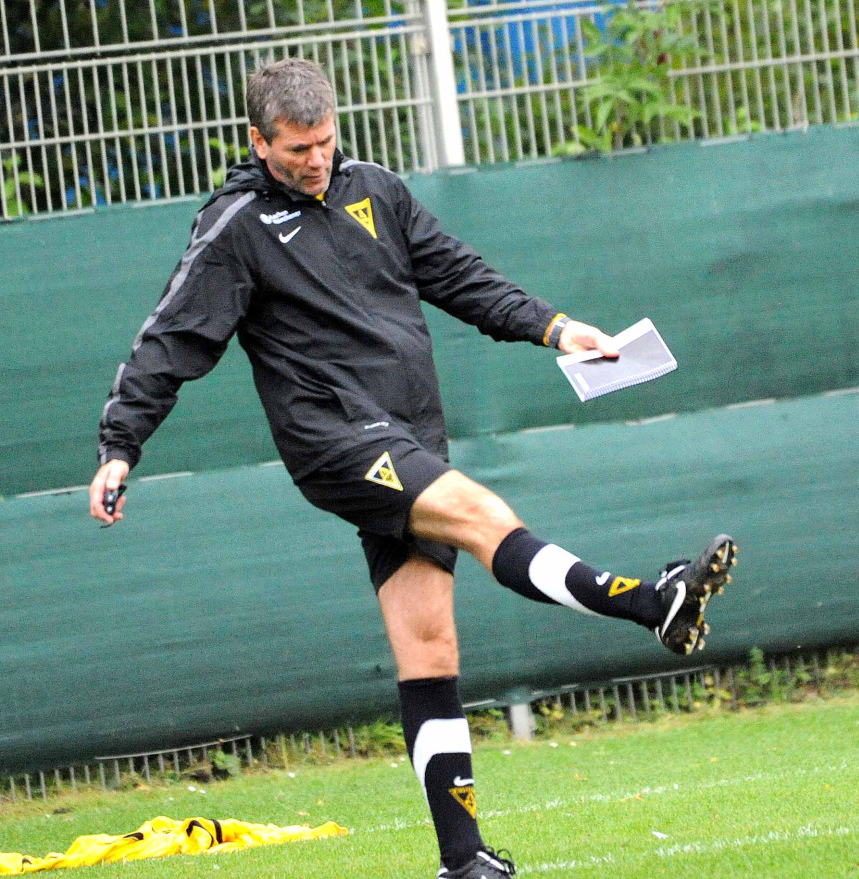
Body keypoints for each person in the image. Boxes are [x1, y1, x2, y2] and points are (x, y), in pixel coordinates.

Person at [89, 58, 737, 879]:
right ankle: (650, 602)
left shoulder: (376, 190)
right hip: (333, 437)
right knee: (483, 517)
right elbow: (170, 340)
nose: (315, 160)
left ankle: (462, 861)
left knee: (429, 646)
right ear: (259, 142)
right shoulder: (237, 227)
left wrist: (555, 327)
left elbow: (460, 276)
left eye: (324, 142)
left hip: (408, 432)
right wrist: (121, 444)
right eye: (296, 149)